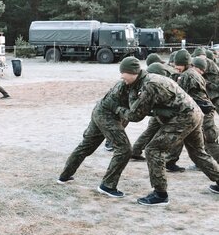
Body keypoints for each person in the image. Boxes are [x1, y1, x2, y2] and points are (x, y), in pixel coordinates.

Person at [112, 56, 219, 204]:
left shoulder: (149, 85)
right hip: (193, 113)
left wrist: (118, 109)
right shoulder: (149, 79)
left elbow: (135, 115)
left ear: (132, 72)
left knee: (153, 150)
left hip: (184, 117)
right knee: (198, 153)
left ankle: (160, 194)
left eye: (122, 73)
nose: (121, 77)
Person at [57, 60, 134, 198]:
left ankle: (64, 176)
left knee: (86, 146)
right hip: (106, 115)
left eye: (123, 73)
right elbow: (129, 112)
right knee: (124, 148)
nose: (122, 76)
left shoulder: (131, 84)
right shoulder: (124, 85)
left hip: (101, 112)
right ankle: (107, 186)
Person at [174, 51, 219, 163]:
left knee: (209, 139)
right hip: (201, 111)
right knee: (201, 140)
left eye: (178, 65)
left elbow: (179, 95)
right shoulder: (191, 74)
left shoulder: (188, 76)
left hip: (204, 112)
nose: (176, 67)